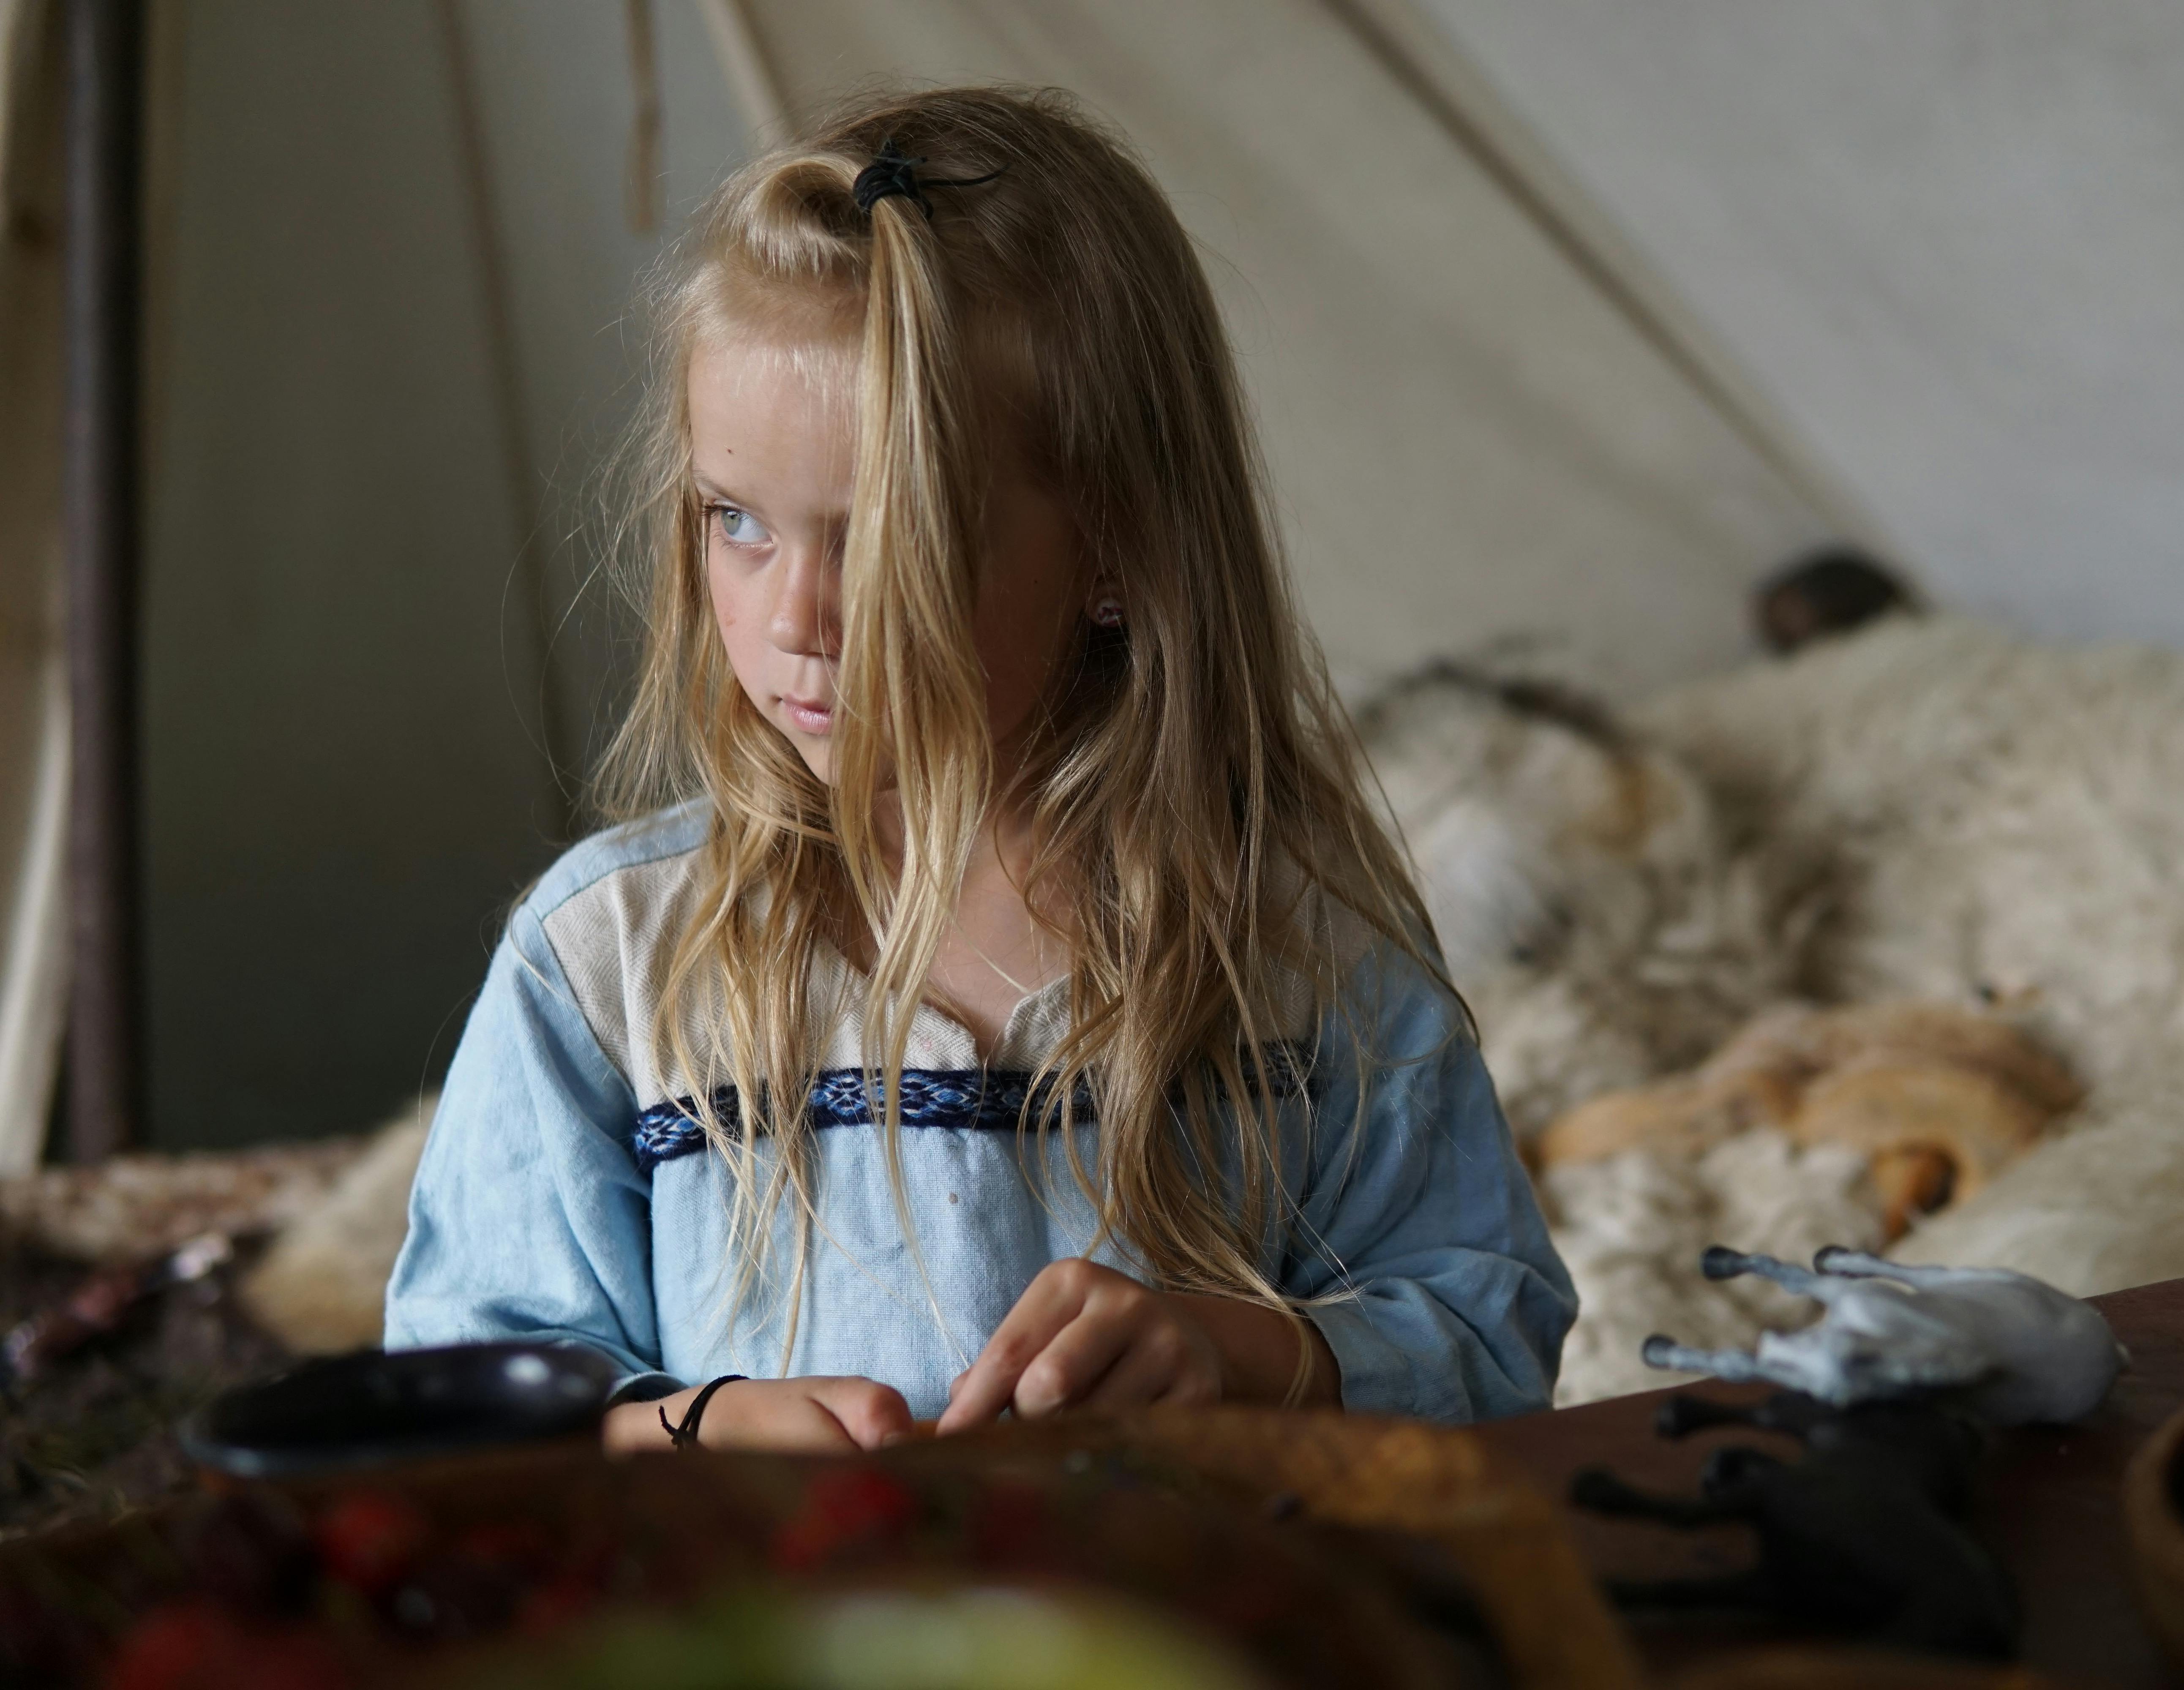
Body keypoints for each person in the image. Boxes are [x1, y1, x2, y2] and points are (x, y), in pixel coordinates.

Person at [382, 87, 1574, 1453]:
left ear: (1120, 548)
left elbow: (1491, 1330)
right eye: (738, 523)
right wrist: (699, 1431)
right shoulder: (606, 971)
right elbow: (453, 1406)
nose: (796, 621)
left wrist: (1246, 1349)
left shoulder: (1303, 948)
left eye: (894, 534)